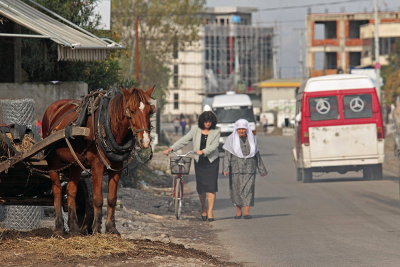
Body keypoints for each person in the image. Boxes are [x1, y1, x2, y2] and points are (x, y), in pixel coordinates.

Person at [163, 111, 220, 221]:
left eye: (210, 122)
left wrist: (203, 151)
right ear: (202, 121)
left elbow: (215, 145)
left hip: (212, 160)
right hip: (199, 161)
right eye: (206, 121)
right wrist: (171, 149)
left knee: (212, 187)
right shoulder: (195, 129)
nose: (208, 124)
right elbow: (184, 140)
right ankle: (203, 208)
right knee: (202, 187)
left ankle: (210, 211)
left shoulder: (216, 131)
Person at [223, 119, 267, 219]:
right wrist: (225, 168)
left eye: (243, 129)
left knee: (248, 190)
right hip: (235, 169)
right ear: (236, 129)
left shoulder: (253, 139)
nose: (241, 131)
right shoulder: (231, 139)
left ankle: (246, 212)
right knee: (236, 190)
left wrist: (262, 169)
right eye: (239, 129)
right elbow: (227, 155)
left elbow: (257, 155)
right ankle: (238, 212)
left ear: (247, 129)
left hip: (250, 168)